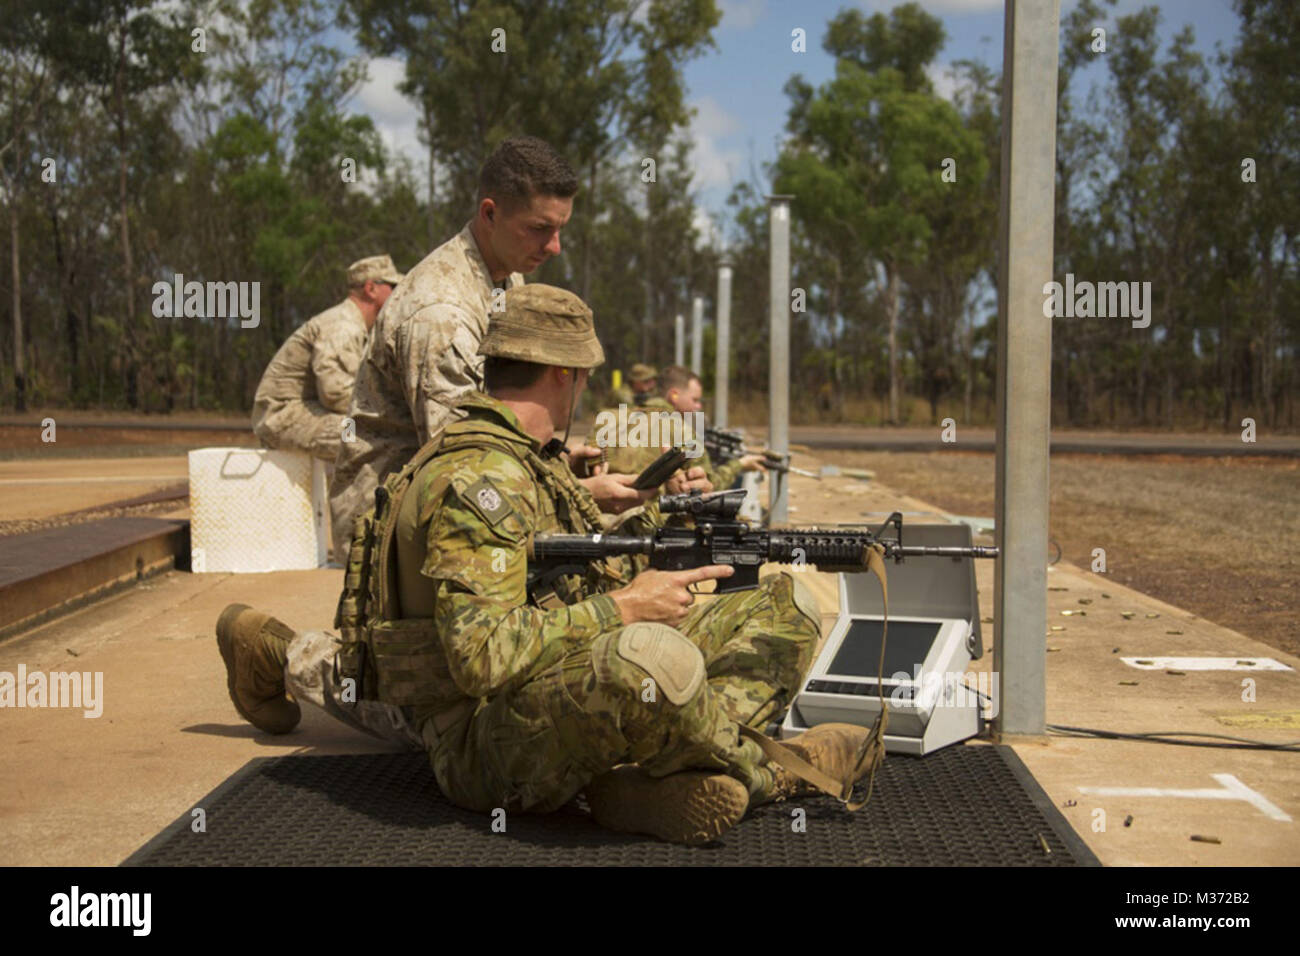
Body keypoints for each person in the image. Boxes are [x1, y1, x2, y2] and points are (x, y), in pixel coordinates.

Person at [216, 285, 880, 845]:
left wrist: (665, 525)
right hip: (481, 744)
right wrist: (626, 608)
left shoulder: (528, 461)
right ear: (564, 374)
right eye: (585, 377)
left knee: (781, 609)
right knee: (645, 656)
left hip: (544, 690)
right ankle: (771, 772)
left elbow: (573, 576)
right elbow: (482, 658)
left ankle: (650, 776)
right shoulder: (483, 477)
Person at [329, 136, 645, 560]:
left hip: (450, 498)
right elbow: (462, 471)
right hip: (389, 536)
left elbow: (495, 430)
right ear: (490, 214)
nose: (554, 247)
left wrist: (557, 465)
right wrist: (579, 492)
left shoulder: (504, 276)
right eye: (539, 229)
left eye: (559, 229)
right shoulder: (440, 315)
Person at [250, 255, 402, 461]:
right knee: (363, 437)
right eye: (392, 286)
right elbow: (337, 394)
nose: (397, 293)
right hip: (284, 417)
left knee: (379, 433)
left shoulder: (355, 325)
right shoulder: (342, 326)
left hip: (306, 413)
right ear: (371, 289)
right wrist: (391, 413)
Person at [602, 364, 767, 489]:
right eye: (694, 400)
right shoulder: (683, 432)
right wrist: (739, 465)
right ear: (674, 395)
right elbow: (707, 486)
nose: (698, 407)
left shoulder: (616, 419)